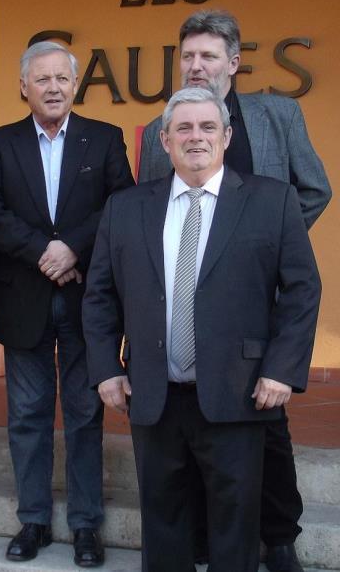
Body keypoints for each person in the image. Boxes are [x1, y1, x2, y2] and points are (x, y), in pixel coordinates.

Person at [84, 87, 321, 572]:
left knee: (235, 531)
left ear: (228, 136)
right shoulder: (127, 208)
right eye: (184, 128)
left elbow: (302, 291)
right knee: (163, 524)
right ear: (165, 141)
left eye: (208, 127)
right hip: (154, 393)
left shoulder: (272, 201)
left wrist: (281, 370)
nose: (196, 137)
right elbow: (100, 295)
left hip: (240, 393)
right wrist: (106, 368)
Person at [138, 10, 331, 572]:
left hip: (258, 301)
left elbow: (314, 189)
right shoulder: (165, 127)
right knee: (195, 420)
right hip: (190, 300)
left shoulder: (277, 114)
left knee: (265, 427)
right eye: (189, 57)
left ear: (234, 62)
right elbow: (156, 205)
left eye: (209, 56)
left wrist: (266, 252)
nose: (197, 66)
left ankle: (278, 536)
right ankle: (199, 534)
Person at [0, 41, 134, 568]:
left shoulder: (105, 140)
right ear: (24, 87)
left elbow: (121, 204)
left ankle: (86, 525)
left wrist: (73, 248)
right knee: (28, 416)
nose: (53, 87)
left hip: (88, 301)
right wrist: (42, 250)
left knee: (85, 414)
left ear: (74, 83)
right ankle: (34, 520)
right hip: (26, 300)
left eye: (62, 78)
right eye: (42, 79)